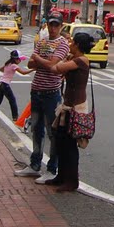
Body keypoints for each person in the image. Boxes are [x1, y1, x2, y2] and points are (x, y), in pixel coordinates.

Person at [16, 13, 71, 183]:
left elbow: (51, 64)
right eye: (50, 24)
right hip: (37, 90)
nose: (53, 28)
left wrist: (40, 59)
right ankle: (35, 164)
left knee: (52, 131)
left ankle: (52, 168)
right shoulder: (42, 41)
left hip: (51, 92)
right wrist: (44, 61)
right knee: (36, 128)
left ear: (61, 26)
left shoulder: (62, 44)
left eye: (56, 25)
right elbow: (30, 64)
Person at [40, 31, 93, 193]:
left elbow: (56, 68)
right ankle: (61, 176)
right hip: (67, 105)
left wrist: (44, 60)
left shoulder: (81, 60)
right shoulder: (74, 59)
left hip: (76, 108)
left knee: (70, 145)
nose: (70, 44)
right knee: (61, 141)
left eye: (72, 42)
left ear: (77, 45)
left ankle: (72, 181)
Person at [0, 50, 32, 121]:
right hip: (5, 84)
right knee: (12, 100)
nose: (20, 61)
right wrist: (33, 69)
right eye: (19, 59)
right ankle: (15, 117)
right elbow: (23, 73)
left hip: (0, 82)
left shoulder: (8, 63)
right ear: (16, 59)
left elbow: (1, 69)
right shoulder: (14, 65)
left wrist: (7, 72)